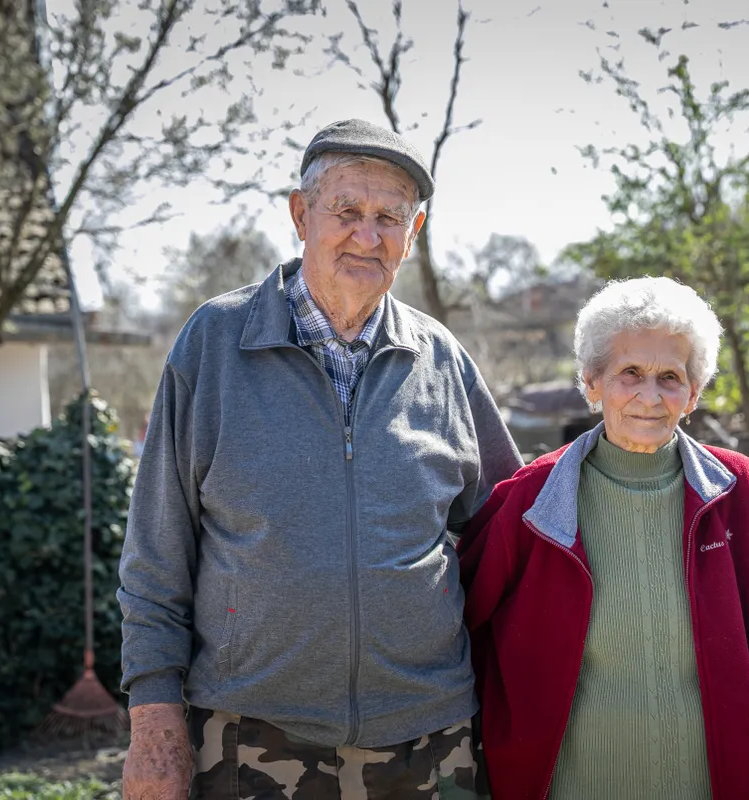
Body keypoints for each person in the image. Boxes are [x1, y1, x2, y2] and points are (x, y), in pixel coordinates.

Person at [118, 119, 523, 800]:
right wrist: (153, 718)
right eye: (346, 211)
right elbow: (156, 553)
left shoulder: (442, 361)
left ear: (413, 234)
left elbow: (510, 532)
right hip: (252, 739)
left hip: (429, 739)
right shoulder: (214, 344)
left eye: (389, 218)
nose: (368, 235)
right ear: (300, 215)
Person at [459, 277, 749, 799]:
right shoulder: (528, 502)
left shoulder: (740, 491)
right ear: (592, 382)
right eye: (629, 372)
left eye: (670, 377)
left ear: (693, 393)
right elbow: (462, 635)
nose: (649, 396)